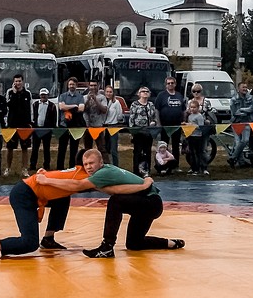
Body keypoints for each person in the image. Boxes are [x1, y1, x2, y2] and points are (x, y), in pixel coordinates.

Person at [35, 149, 185, 258]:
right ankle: (171, 243)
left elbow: (76, 186)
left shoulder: (102, 173)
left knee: (116, 201)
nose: (88, 167)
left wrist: (46, 180)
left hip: (150, 202)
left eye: (91, 163)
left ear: (101, 162)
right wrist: (48, 173)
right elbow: (114, 188)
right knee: (134, 244)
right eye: (85, 164)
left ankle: (107, 246)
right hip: (147, 202)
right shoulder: (104, 172)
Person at [0, 166, 89, 264]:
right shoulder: (84, 176)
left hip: (31, 191)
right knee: (30, 243)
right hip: (23, 195)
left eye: (92, 163)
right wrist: (46, 180)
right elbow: (83, 186)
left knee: (63, 198)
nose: (90, 166)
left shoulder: (78, 170)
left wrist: (46, 179)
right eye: (88, 163)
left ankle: (48, 239)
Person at [154, 76, 186, 174]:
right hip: (165, 125)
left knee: (176, 146)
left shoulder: (179, 95)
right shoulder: (161, 95)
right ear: (166, 85)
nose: (170, 85)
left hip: (177, 125)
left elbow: (184, 110)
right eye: (168, 83)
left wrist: (184, 121)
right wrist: (158, 123)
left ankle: (175, 166)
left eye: (172, 83)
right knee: (163, 146)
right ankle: (162, 166)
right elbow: (156, 110)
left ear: (175, 84)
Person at [4, 74, 33, 176]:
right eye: (16, 81)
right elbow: (8, 107)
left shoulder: (27, 93)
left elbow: (30, 108)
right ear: (13, 82)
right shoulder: (9, 92)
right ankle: (8, 168)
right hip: (12, 124)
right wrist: (15, 93)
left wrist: (30, 122)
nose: (18, 83)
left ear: (22, 82)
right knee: (10, 148)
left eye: (19, 81)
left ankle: (24, 169)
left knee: (25, 148)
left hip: (24, 125)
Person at [127, 86, 159, 175]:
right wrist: (132, 131)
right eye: (143, 91)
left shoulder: (151, 105)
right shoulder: (134, 104)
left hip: (148, 132)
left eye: (147, 91)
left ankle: (147, 169)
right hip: (138, 131)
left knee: (147, 151)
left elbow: (154, 117)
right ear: (139, 94)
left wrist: (153, 123)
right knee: (137, 152)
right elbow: (131, 118)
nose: (145, 93)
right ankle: (136, 170)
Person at [55, 77, 86, 169]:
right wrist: (74, 106)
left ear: (76, 85)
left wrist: (67, 107)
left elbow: (81, 108)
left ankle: (72, 168)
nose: (71, 86)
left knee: (74, 149)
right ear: (67, 85)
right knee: (62, 149)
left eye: (73, 84)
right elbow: (61, 107)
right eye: (70, 84)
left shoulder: (80, 97)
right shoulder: (62, 96)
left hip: (76, 126)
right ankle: (59, 168)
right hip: (63, 125)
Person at [29, 88, 56, 172]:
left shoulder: (52, 105)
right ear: (39, 95)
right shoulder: (35, 104)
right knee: (35, 149)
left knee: (46, 148)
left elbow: (54, 118)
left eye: (45, 95)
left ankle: (46, 165)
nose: (43, 96)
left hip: (47, 129)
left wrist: (52, 128)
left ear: (47, 95)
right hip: (37, 129)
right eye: (42, 95)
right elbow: (33, 115)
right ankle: (32, 165)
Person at [228, 82, 253, 168]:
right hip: (236, 123)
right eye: (243, 87)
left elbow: (252, 109)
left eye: (246, 87)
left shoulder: (251, 98)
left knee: (245, 140)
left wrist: (241, 110)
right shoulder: (233, 99)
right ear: (238, 89)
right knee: (238, 142)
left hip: (247, 122)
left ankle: (232, 158)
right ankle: (241, 162)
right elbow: (235, 112)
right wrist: (243, 111)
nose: (245, 89)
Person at [81, 80, 109, 155]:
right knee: (87, 149)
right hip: (87, 126)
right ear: (88, 86)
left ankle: (105, 164)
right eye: (91, 85)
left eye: (95, 85)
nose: (93, 87)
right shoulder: (84, 97)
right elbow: (82, 110)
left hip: (98, 126)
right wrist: (88, 100)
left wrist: (95, 100)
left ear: (98, 86)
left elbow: (104, 110)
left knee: (102, 148)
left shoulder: (102, 97)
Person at [183, 98, 209, 175]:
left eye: (194, 107)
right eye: (191, 107)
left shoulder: (199, 116)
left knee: (198, 153)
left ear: (198, 108)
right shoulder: (190, 116)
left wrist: (191, 125)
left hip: (198, 136)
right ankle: (193, 167)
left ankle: (199, 168)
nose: (192, 109)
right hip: (191, 136)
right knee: (191, 153)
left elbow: (201, 126)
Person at [103, 84, 125, 166]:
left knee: (113, 149)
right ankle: (106, 165)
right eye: (107, 92)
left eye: (110, 92)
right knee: (105, 148)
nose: (108, 93)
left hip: (113, 126)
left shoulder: (116, 102)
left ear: (113, 93)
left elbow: (120, 115)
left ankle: (116, 166)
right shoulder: (103, 102)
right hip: (104, 126)